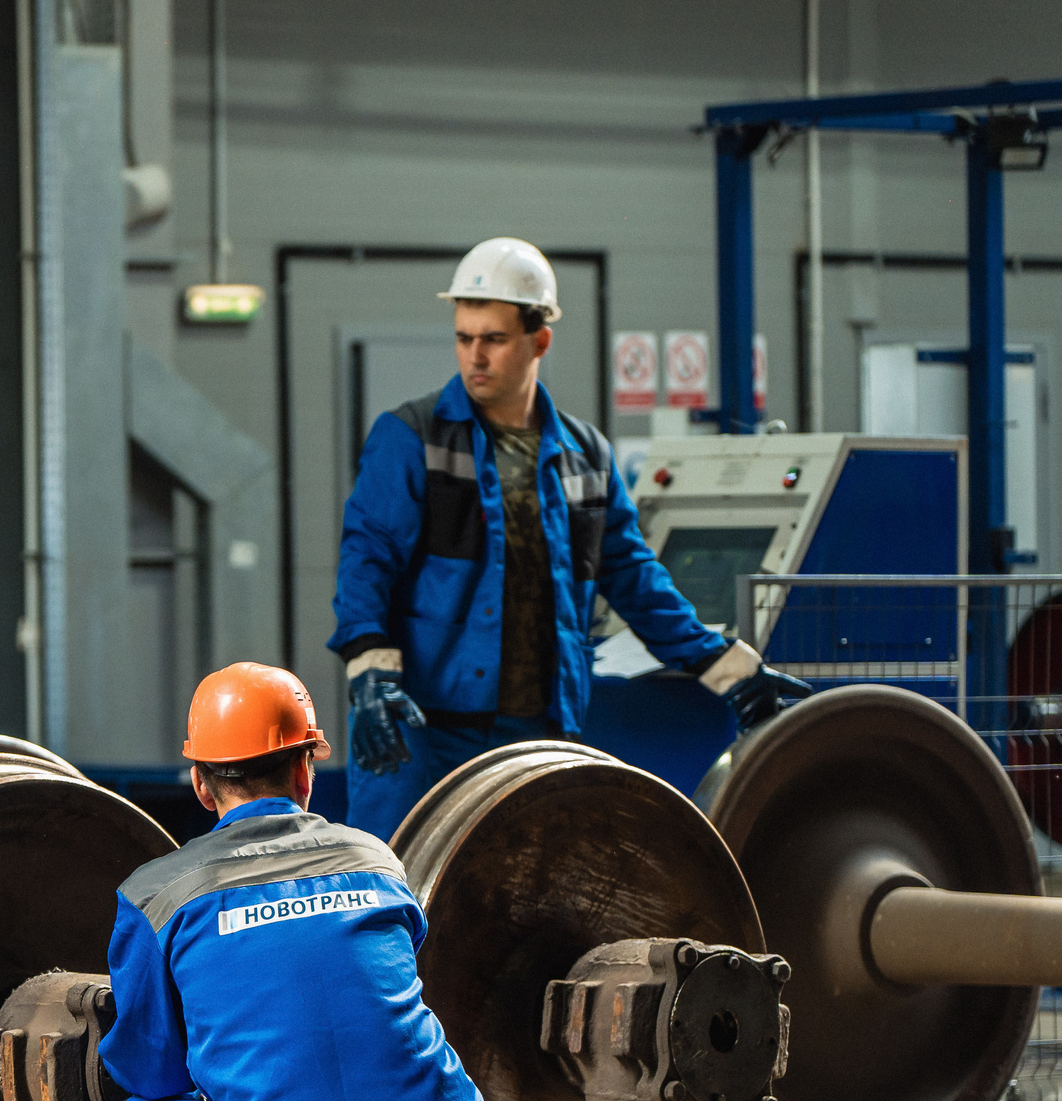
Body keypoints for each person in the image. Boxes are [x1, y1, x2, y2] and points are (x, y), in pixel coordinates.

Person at [331, 237, 809, 839]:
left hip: (539, 734)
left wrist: (724, 665)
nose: (474, 356)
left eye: (494, 339)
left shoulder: (584, 455)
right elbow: (366, 559)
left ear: (540, 339)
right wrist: (369, 666)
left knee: (533, 899)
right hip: (423, 734)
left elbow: (634, 577)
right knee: (402, 897)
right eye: (464, 337)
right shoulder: (413, 438)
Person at [98, 663, 488, 1101]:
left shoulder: (157, 894)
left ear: (201, 784)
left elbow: (149, 1069)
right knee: (422, 1095)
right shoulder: (378, 863)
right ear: (307, 770)